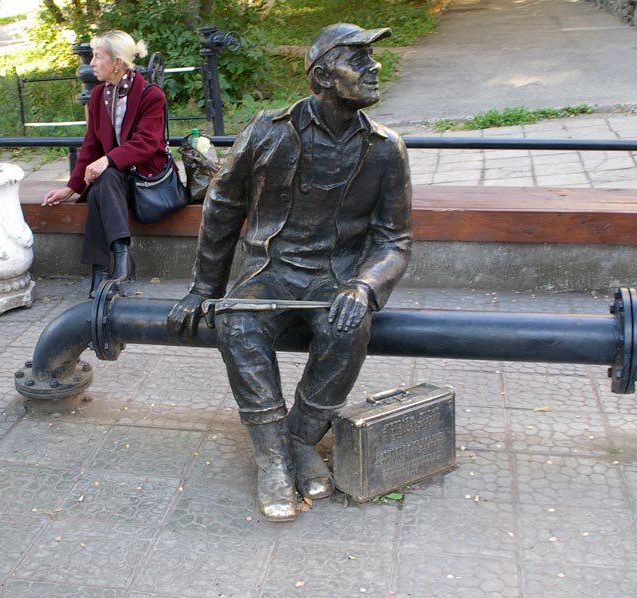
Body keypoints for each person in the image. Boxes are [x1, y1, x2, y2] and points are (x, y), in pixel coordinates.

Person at [167, 23, 413, 522]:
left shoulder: (386, 147)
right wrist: (202, 290)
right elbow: (222, 206)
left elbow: (394, 239)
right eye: (358, 59)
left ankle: (300, 439)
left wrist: (363, 287)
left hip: (337, 277)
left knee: (348, 330)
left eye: (372, 57)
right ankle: (272, 457)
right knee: (237, 324)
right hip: (270, 270)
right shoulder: (268, 131)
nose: (374, 67)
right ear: (322, 75)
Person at [43, 30, 168, 297]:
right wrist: (70, 188)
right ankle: (120, 259)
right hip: (115, 178)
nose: (91, 65)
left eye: (97, 57)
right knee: (104, 181)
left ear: (118, 63)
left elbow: (148, 142)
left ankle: (101, 271)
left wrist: (109, 159)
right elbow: (91, 145)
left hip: (144, 175)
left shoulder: (150, 95)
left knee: (103, 180)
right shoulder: (99, 95)